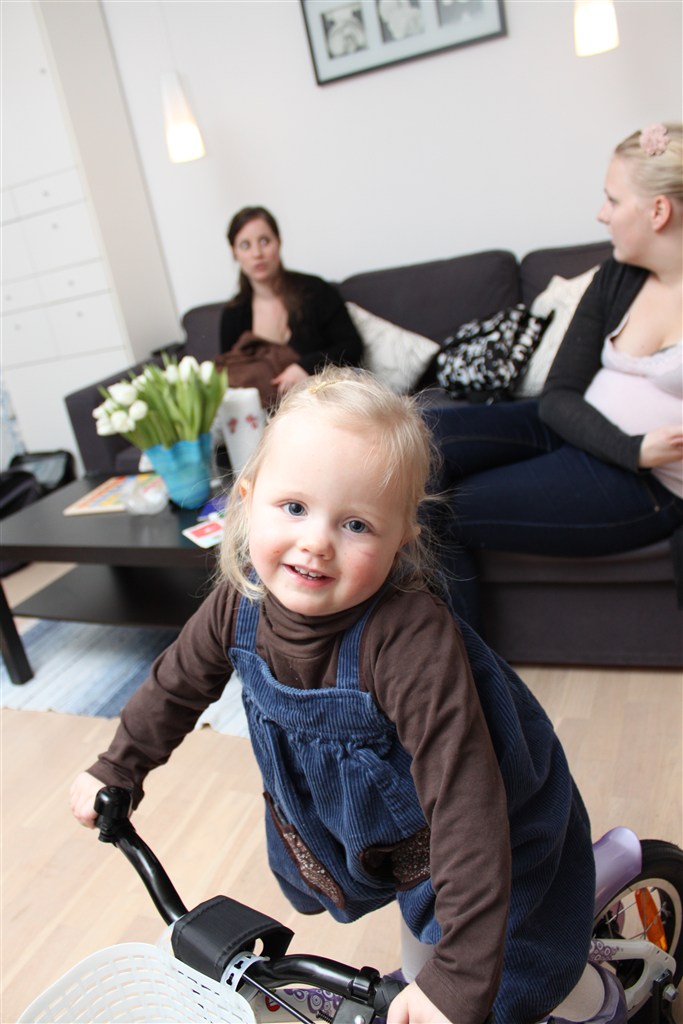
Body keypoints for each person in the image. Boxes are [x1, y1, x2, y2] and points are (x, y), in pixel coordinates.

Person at [70, 366, 624, 1024]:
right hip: (390, 829)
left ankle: (603, 1002)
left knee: (512, 978)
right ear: (247, 498)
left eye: (356, 524)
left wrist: (458, 978)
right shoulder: (239, 603)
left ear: (400, 540)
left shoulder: (410, 641)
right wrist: (119, 766)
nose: (315, 542)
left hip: (487, 823)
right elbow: (176, 683)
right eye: (293, 508)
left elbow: (465, 803)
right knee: (425, 943)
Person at [423, 122, 683, 629]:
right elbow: (559, 394)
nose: (602, 213)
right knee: (416, 434)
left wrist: (636, 458)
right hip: (581, 431)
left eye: (613, 200)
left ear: (658, 211)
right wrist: (630, 447)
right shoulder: (618, 275)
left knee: (436, 509)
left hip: (644, 486)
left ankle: (459, 669)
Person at [219, 205, 362, 400]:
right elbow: (230, 372)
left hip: (324, 400)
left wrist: (305, 367)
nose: (257, 253)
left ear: (279, 242)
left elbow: (352, 346)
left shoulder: (315, 291)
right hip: (265, 411)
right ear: (234, 252)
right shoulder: (233, 314)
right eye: (245, 245)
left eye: (264, 241)